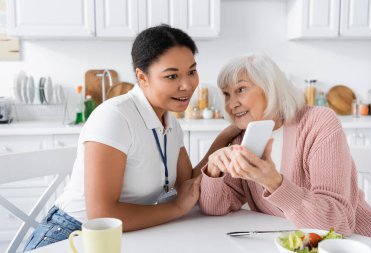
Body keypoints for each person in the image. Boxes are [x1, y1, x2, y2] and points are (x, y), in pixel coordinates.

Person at [23, 24, 238, 251]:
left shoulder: (170, 123)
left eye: (192, 72)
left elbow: (188, 184)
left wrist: (227, 135)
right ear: (142, 77)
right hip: (73, 235)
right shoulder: (114, 117)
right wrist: (176, 208)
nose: (187, 85)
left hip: (129, 234)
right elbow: (102, 215)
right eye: (172, 75)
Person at [199, 54, 371, 238]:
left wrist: (274, 182)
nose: (231, 104)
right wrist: (214, 171)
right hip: (291, 244)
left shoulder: (318, 123)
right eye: (226, 94)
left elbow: (336, 223)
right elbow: (215, 206)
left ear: (271, 89)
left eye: (241, 89)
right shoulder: (244, 136)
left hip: (357, 242)